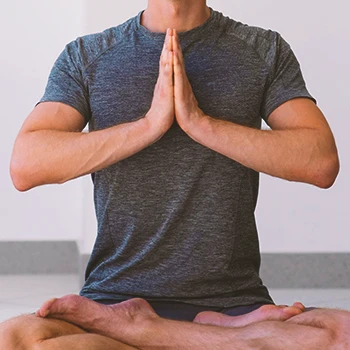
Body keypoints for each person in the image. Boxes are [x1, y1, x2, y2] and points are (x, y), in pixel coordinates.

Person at [2, 0, 347, 349]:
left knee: (343, 334)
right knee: (16, 339)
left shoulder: (263, 49)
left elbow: (319, 161)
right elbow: (27, 164)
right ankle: (226, 337)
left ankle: (146, 330)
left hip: (233, 301)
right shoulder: (87, 55)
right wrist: (148, 126)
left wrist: (201, 124)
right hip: (113, 300)